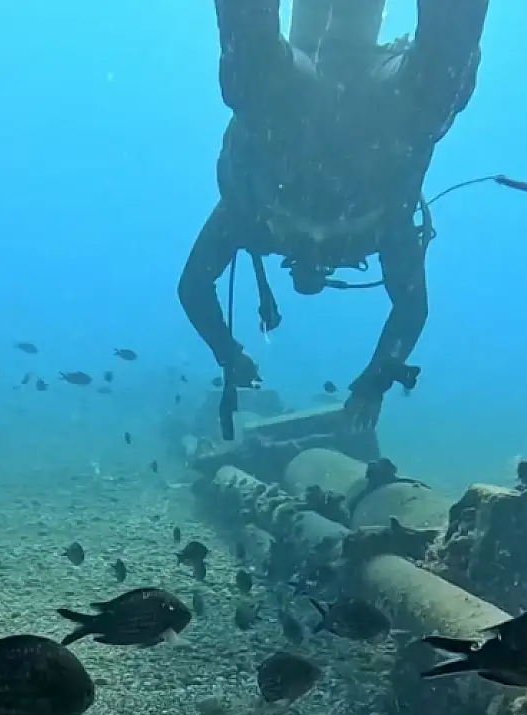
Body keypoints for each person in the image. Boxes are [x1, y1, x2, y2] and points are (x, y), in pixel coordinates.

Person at [178, 0, 490, 439]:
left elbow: (193, 286)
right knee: (433, 79)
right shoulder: (368, 228)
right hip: (332, 105)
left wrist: (230, 354)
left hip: (321, 105)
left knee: (435, 78)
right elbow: (411, 307)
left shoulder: (252, 216)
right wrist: (372, 383)